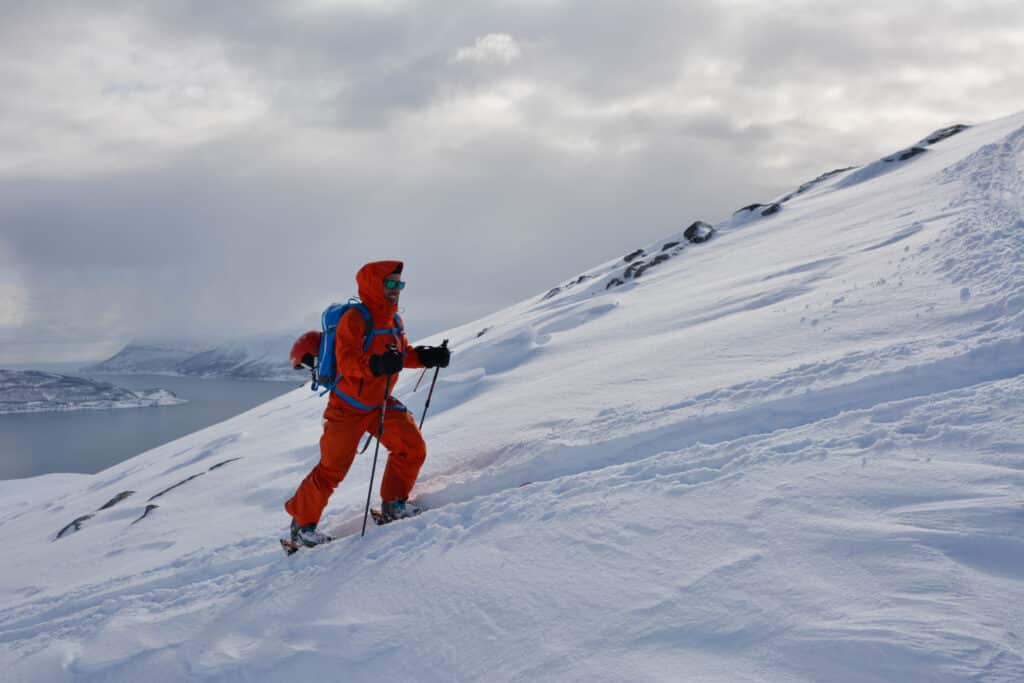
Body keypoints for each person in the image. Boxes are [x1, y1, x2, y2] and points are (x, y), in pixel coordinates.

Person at [284, 260, 450, 546]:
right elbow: (347, 362)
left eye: (399, 284)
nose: (396, 290)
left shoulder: (394, 321)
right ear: (374, 284)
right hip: (347, 408)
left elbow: (402, 354)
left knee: (410, 448)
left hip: (379, 403)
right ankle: (301, 527)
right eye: (390, 284)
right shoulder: (355, 318)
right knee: (332, 469)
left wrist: (425, 356)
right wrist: (376, 364)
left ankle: (393, 506)